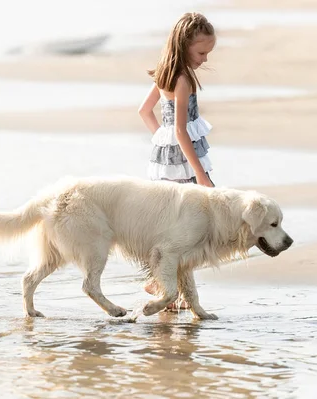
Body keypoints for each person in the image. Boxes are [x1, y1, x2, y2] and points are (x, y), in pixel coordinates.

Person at [138, 12, 216, 310]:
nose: (204, 59)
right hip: (184, 164)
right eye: (201, 52)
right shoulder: (182, 79)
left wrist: (162, 138)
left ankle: (168, 287)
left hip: (167, 160)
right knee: (189, 228)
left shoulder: (164, 73)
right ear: (184, 45)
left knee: (174, 226)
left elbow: (144, 112)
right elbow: (182, 130)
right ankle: (162, 285)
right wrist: (201, 174)